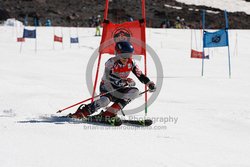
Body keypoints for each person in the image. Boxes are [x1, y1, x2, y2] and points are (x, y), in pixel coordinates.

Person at [69, 41, 156, 120]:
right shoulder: (111, 62)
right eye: (123, 56)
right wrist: (125, 82)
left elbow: (139, 74)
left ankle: (109, 113)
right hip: (107, 88)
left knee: (135, 92)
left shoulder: (131, 63)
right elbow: (109, 78)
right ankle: (82, 112)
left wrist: (149, 83)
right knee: (104, 101)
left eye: (129, 55)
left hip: (120, 88)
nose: (126, 59)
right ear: (117, 54)